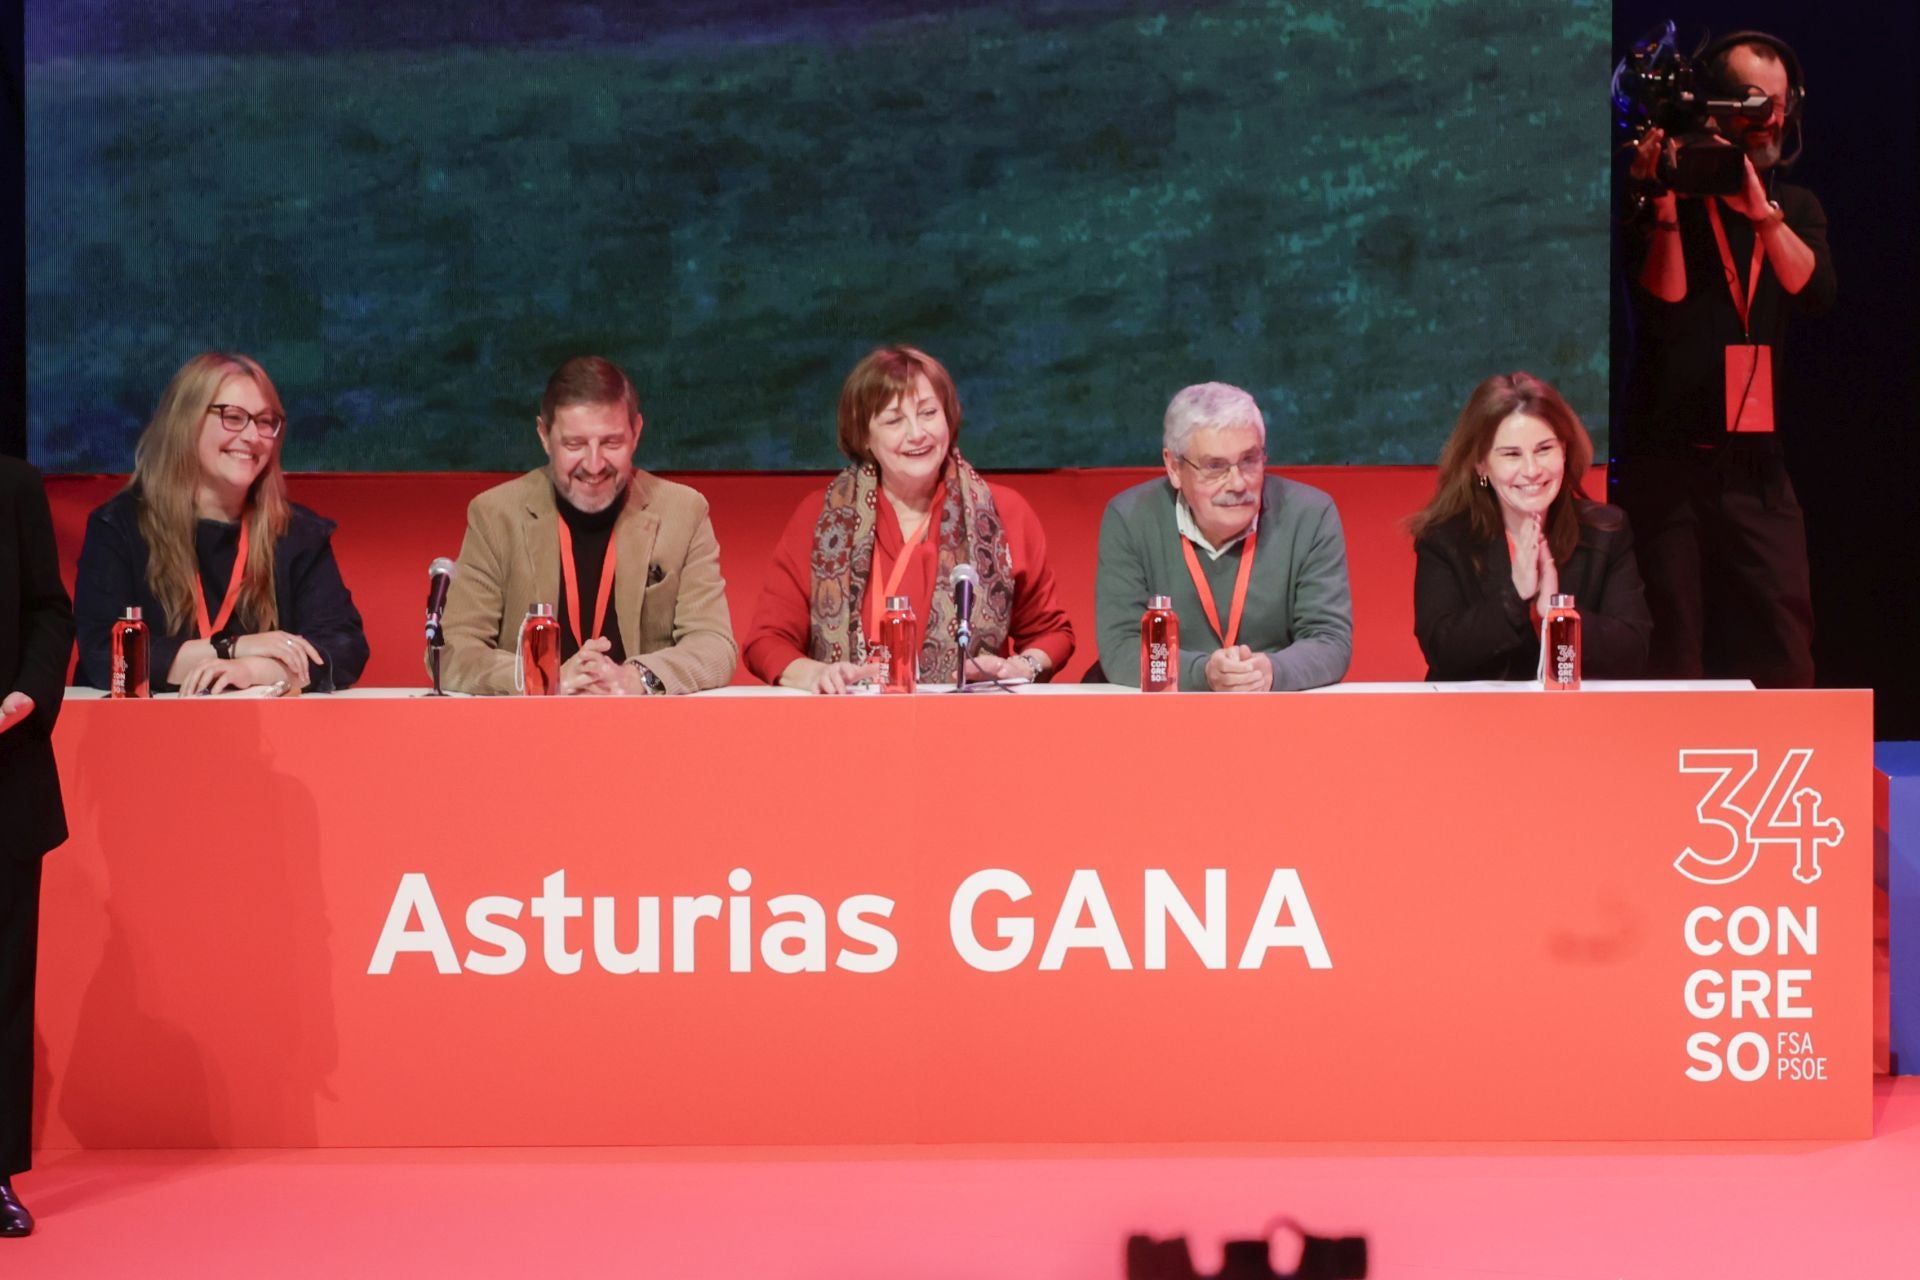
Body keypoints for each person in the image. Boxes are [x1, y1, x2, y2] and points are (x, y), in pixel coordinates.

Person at [1617, 31, 1835, 687]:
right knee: (1672, 646)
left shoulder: (1793, 206)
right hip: (1668, 460)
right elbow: (1667, 306)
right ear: (1715, 104)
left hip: (1756, 465)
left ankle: (1790, 776)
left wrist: (1761, 214)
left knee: (1783, 641)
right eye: (1752, 101)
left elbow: (1816, 292)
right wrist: (1663, 202)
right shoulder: (1665, 201)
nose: (1770, 117)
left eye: (1779, 102)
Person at [743, 345, 1073, 692]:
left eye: (928, 413)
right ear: (865, 437)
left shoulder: (1005, 513)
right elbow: (767, 641)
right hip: (843, 724)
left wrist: (1020, 667)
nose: (917, 433)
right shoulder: (819, 518)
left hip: (968, 726)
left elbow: (1052, 634)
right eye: (894, 420)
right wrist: (814, 675)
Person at [73, 353, 368, 694]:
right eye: (233, 417)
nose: (253, 436)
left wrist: (253, 668)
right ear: (184, 421)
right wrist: (234, 648)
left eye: (265, 421)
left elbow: (344, 647)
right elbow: (106, 657)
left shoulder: (296, 532)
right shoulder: (120, 526)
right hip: (142, 735)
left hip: (269, 736)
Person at [440, 356, 736, 695]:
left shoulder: (683, 511)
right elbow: (454, 650)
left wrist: (637, 677)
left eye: (611, 443)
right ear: (543, 436)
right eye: (574, 444)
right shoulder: (495, 514)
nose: (594, 465)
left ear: (636, 433)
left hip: (646, 731)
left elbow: (714, 644)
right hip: (528, 735)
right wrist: (541, 677)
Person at [1095, 382, 1351, 691]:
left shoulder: (1310, 514)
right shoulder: (1130, 517)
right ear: (1174, 467)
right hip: (1165, 713)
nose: (1238, 483)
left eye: (1249, 460)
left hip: (1273, 710)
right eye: (1215, 467)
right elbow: (1121, 647)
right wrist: (1204, 673)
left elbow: (1329, 641)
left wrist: (1269, 671)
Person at [1409, 372, 1652, 681]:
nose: (1532, 470)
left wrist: (1555, 614)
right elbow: (1443, 651)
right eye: (1511, 454)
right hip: (1478, 721)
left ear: (1564, 450)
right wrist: (1514, 596)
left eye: (1544, 449)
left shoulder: (1606, 532)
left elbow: (1633, 652)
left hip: (1579, 721)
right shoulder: (1446, 539)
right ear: (1481, 464)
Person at [1, 456, 74, 1238]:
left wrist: (29, 690)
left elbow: (49, 612)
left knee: (4, 984)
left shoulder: (13, 486)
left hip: (4, 769)